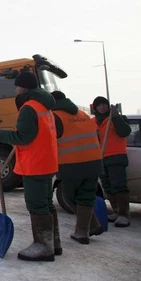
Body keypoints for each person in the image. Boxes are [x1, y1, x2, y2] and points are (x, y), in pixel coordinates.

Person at [0, 71, 60, 261]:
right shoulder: (45, 106)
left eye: (17, 86)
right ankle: (54, 243)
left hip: (35, 164)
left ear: (24, 87)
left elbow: (23, 137)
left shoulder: (29, 108)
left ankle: (43, 247)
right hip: (47, 162)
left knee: (37, 205)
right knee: (46, 204)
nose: (16, 90)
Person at [51, 91, 104, 244]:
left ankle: (89, 227)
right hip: (94, 162)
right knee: (86, 196)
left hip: (71, 164)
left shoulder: (55, 117)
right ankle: (85, 231)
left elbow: (50, 140)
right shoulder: (83, 114)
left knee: (69, 197)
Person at [91, 96, 132, 227]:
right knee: (107, 186)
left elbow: (125, 132)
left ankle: (124, 215)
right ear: (95, 107)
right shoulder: (93, 122)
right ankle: (115, 211)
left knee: (119, 185)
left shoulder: (116, 119)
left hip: (116, 157)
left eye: (104, 104)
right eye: (99, 105)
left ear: (108, 106)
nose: (102, 107)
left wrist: (116, 117)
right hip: (100, 158)